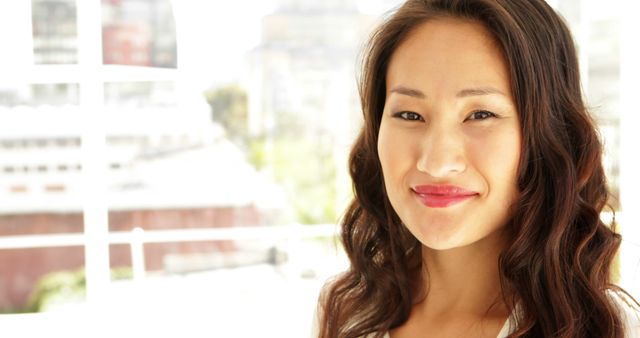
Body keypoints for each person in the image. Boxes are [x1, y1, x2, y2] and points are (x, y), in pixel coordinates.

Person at [312, 0, 640, 337]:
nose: (436, 162)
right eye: (409, 115)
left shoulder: (608, 328)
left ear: (548, 135)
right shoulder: (345, 310)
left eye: (481, 115)